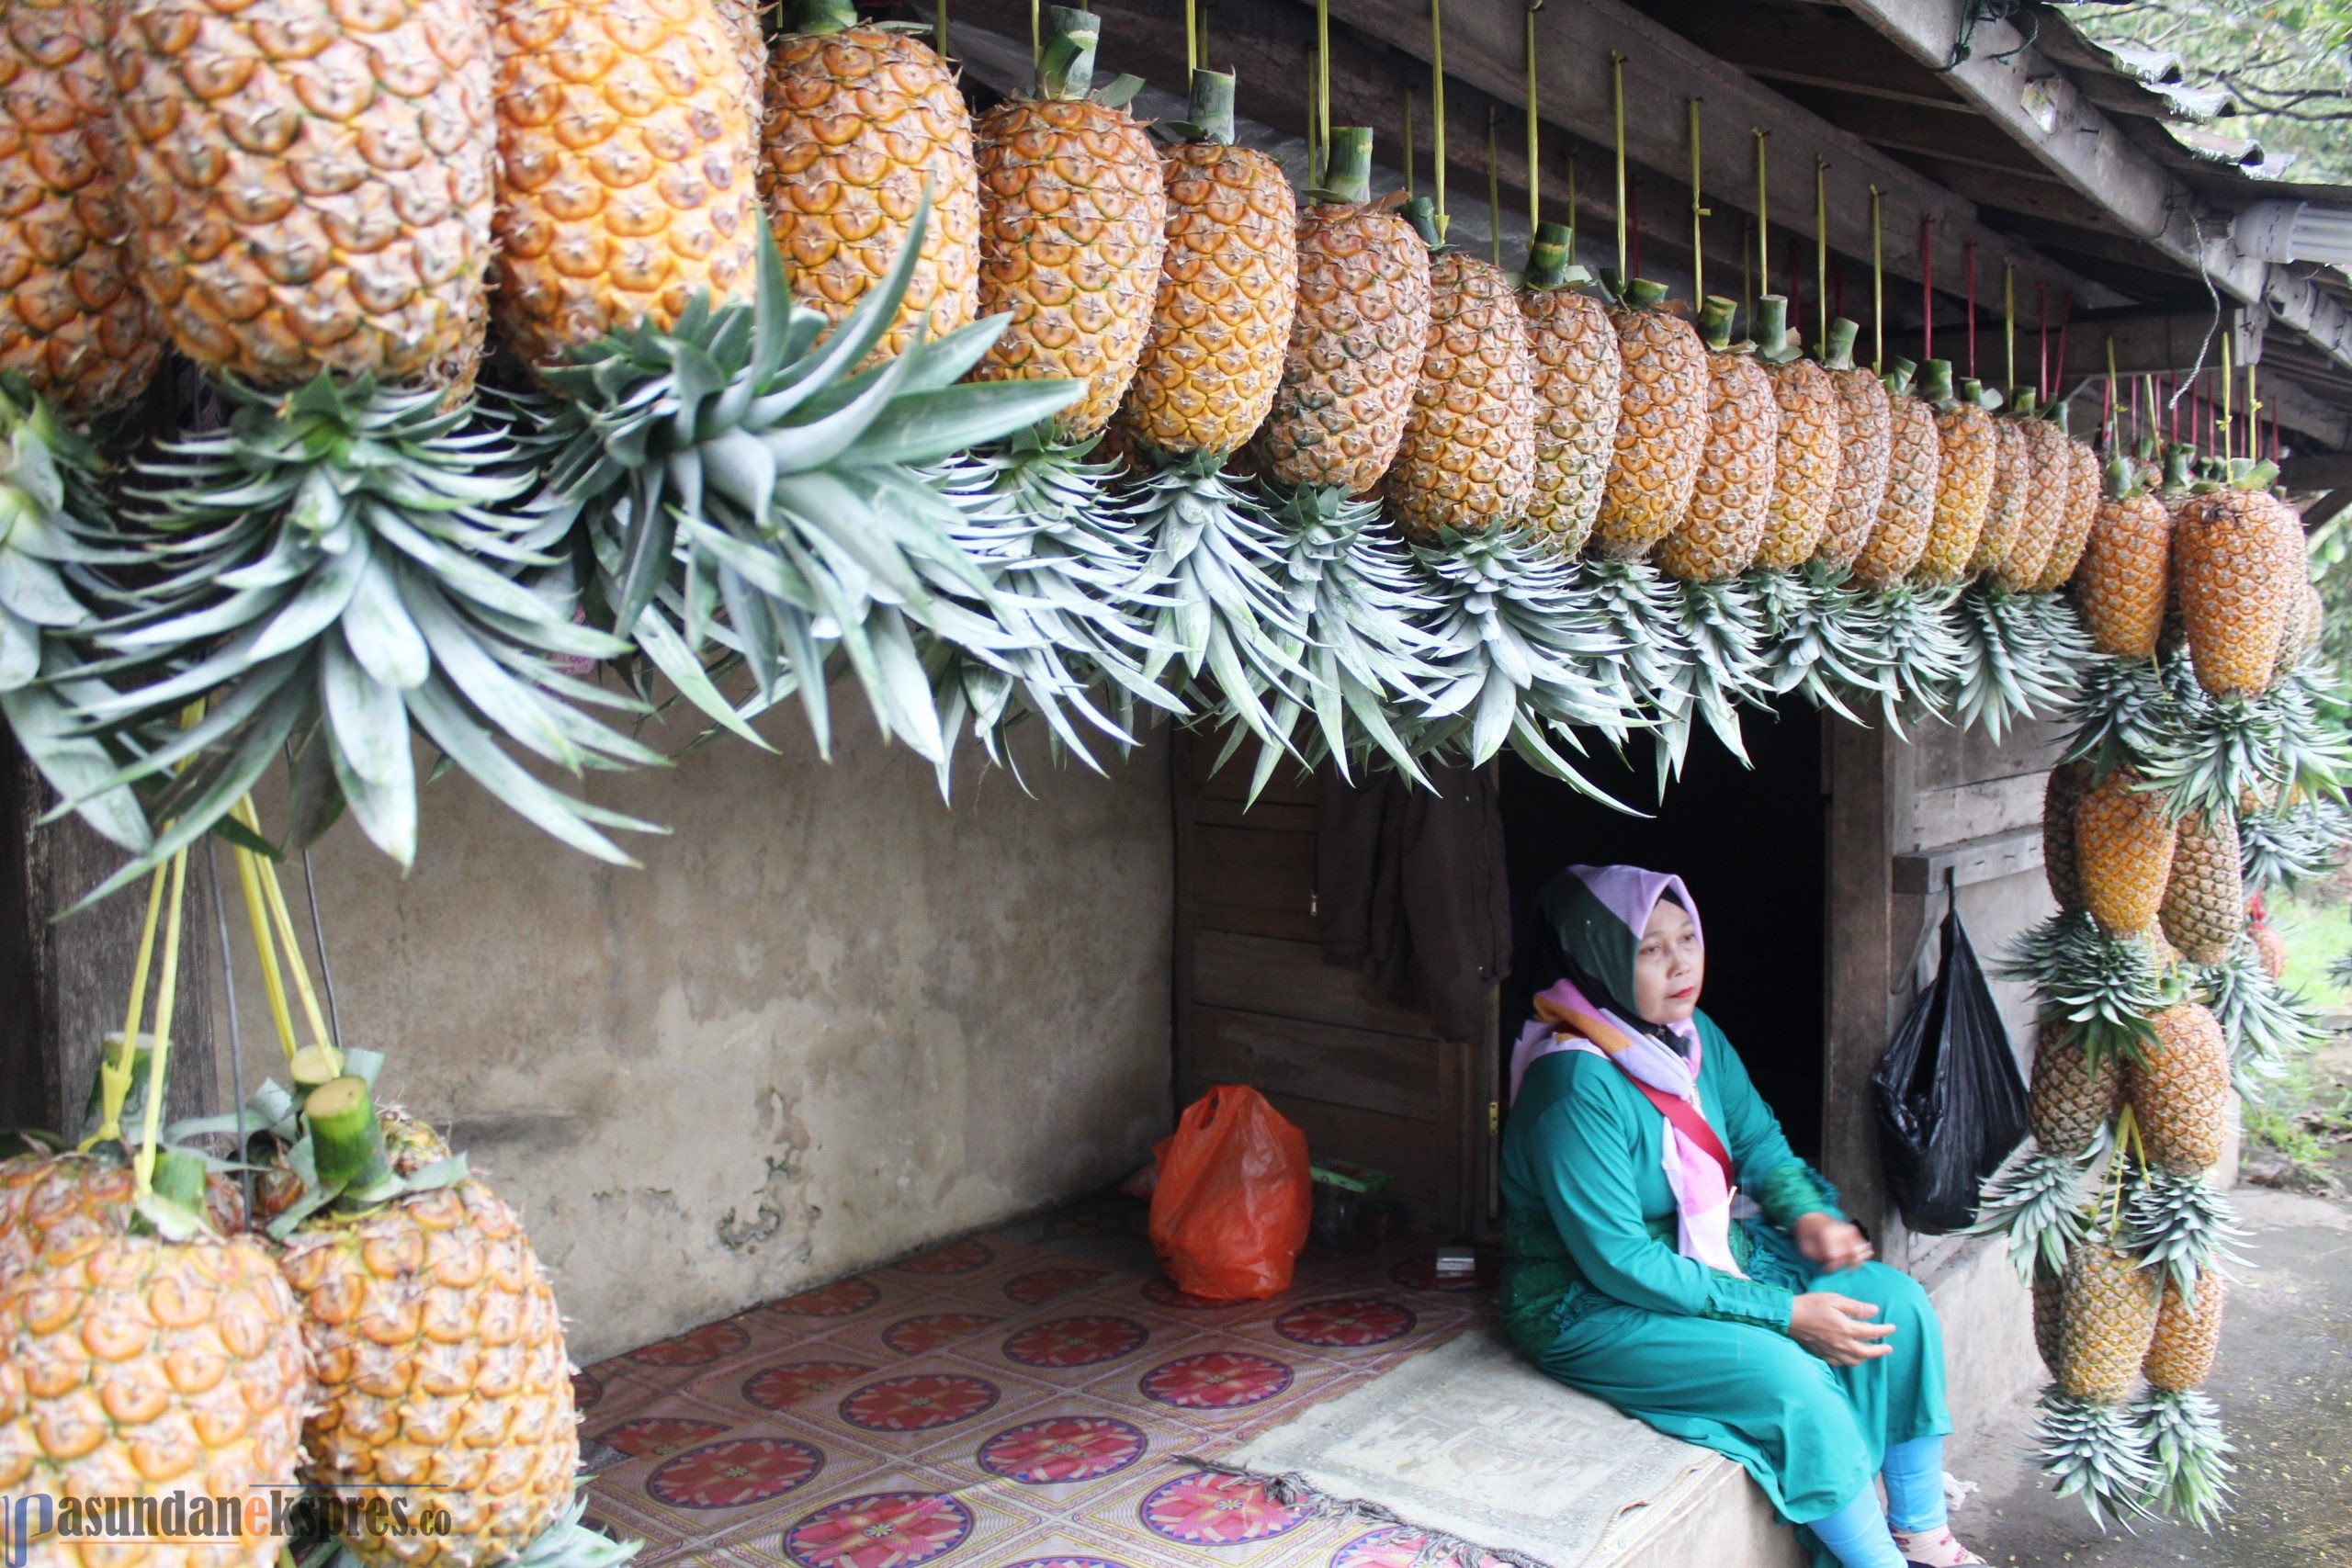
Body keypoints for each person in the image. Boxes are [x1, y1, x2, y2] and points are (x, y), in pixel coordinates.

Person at [1498, 864, 1984, 1568]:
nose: (1681, 962)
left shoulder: (1692, 1038)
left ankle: (1922, 1534)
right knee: (1790, 1377)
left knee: (1898, 1305)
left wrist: (1807, 1211)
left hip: (1714, 1255)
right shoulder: (1573, 1086)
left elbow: (1757, 1142)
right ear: (1599, 956)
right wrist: (1784, 1314)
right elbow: (1621, 1263)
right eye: (1650, 948)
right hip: (1587, 1301)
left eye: (1687, 936)